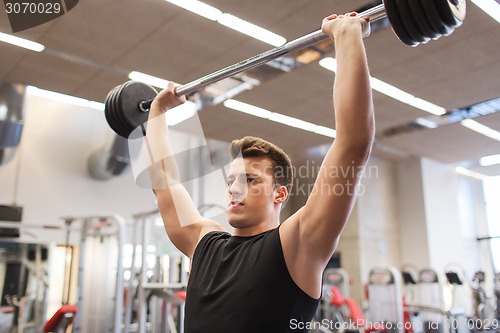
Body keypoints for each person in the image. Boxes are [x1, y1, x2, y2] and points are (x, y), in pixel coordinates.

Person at [145, 11, 374, 333]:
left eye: (250, 180)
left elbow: (353, 145)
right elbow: (163, 182)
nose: (235, 189)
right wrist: (157, 112)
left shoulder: (298, 243)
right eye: (231, 180)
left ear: (280, 193)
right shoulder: (204, 242)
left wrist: (347, 36)